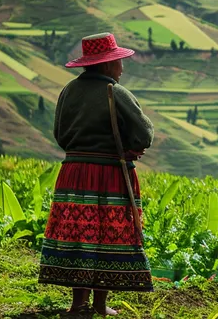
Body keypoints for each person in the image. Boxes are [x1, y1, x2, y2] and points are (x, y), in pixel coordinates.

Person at [38, 33, 154, 316]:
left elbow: (61, 134)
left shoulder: (68, 91)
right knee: (108, 236)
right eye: (118, 62)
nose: (122, 68)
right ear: (106, 65)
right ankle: (100, 305)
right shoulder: (116, 92)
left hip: (74, 173)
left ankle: (78, 305)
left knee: (80, 234)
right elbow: (144, 134)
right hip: (110, 174)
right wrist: (128, 149)